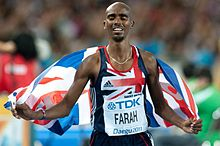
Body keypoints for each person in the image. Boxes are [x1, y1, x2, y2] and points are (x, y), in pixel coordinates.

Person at [11, 2, 202, 146]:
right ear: (105, 23)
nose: (117, 21)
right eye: (112, 17)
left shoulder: (147, 61)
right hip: (104, 140)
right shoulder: (92, 63)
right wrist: (35, 114)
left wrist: (182, 123)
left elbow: (161, 107)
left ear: (131, 23)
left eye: (123, 17)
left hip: (139, 139)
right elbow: (66, 106)